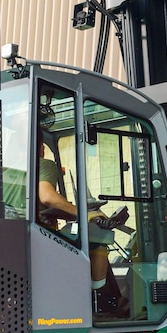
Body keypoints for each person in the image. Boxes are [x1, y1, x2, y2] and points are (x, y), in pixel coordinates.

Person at [35, 128, 127, 316]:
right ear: (41, 147)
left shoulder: (6, 172)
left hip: (27, 242)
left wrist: (70, 213)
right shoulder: (43, 165)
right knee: (98, 243)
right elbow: (48, 197)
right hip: (42, 242)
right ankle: (99, 302)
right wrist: (85, 214)